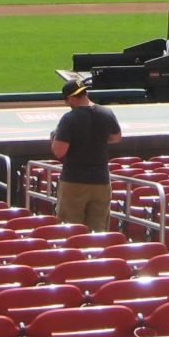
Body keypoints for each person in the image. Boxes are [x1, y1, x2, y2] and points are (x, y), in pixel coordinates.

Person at [51, 80, 121, 232]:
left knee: (71, 230)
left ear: (70, 98)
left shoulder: (69, 119)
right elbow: (116, 137)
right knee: (98, 231)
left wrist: (54, 138)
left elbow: (59, 151)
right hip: (101, 181)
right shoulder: (106, 112)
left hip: (74, 181)